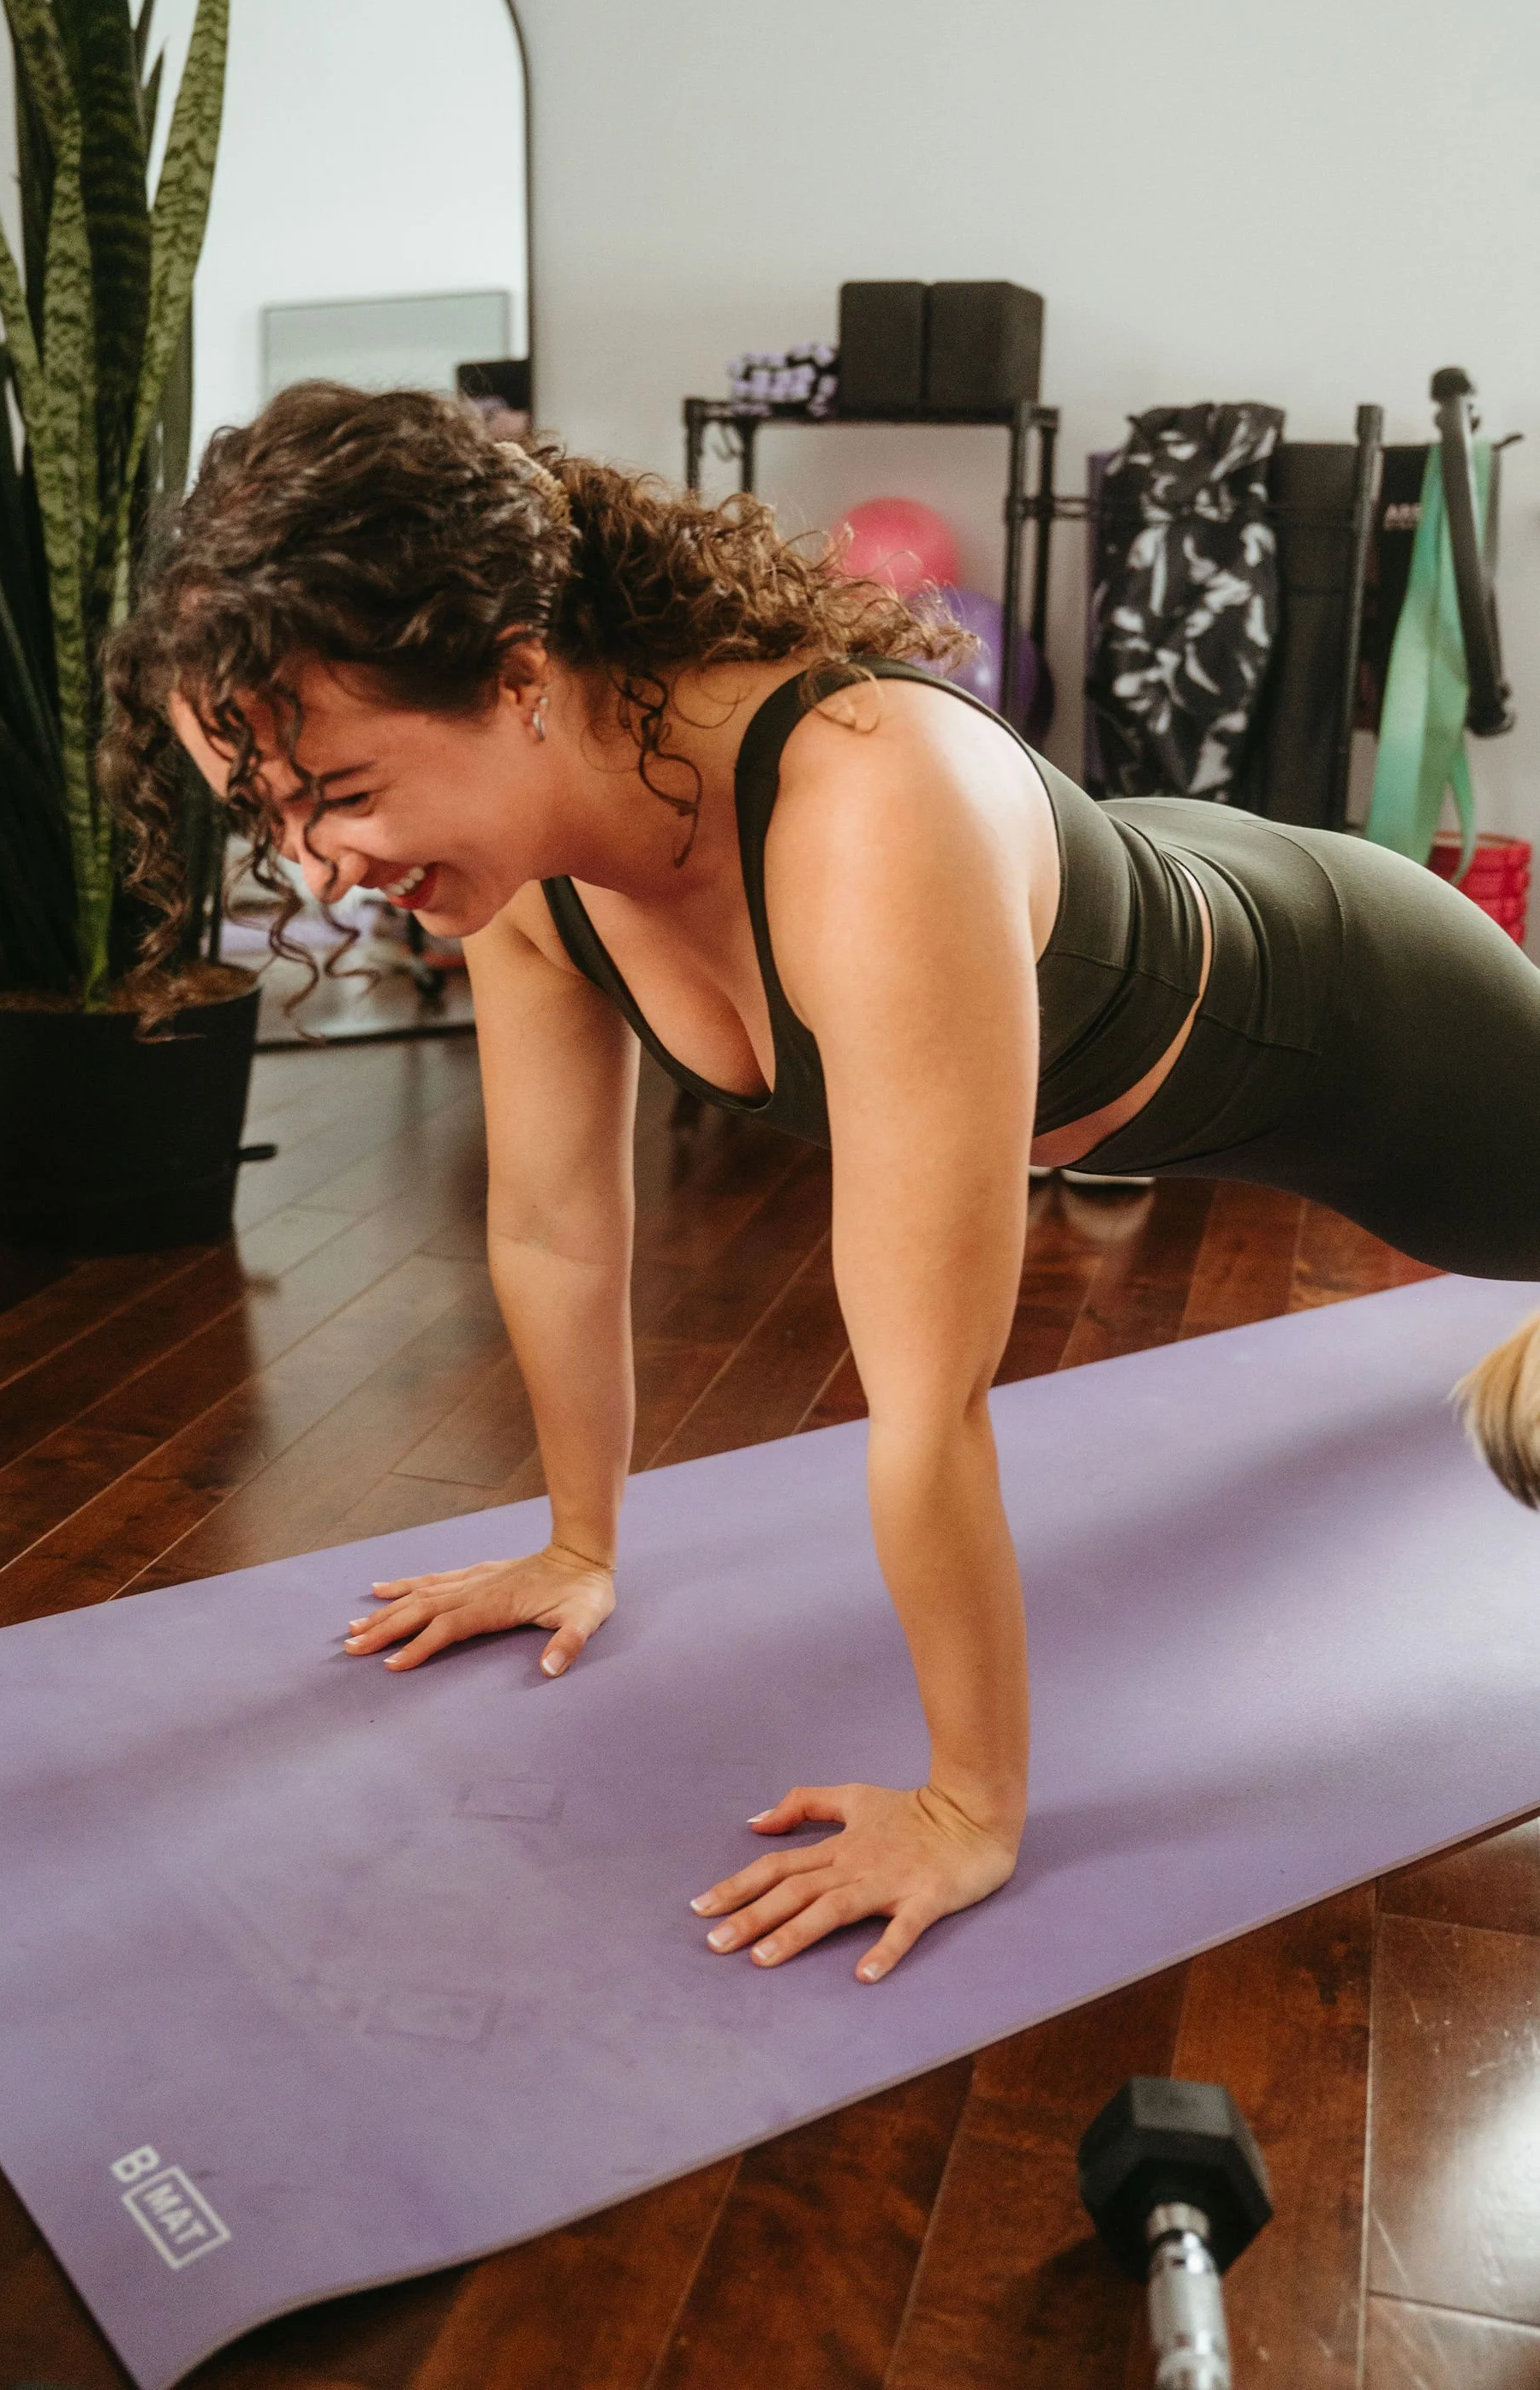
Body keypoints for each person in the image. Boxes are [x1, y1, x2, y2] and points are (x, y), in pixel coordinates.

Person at [102, 383, 1540, 1986]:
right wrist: (580, 1545)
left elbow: (930, 1401)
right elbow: (557, 1230)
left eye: (344, 794)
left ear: (517, 678)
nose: (313, 873)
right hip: (1141, 924)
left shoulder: (865, 804)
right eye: (267, 818)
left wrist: (968, 1806)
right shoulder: (518, 880)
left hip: (1345, 1015)